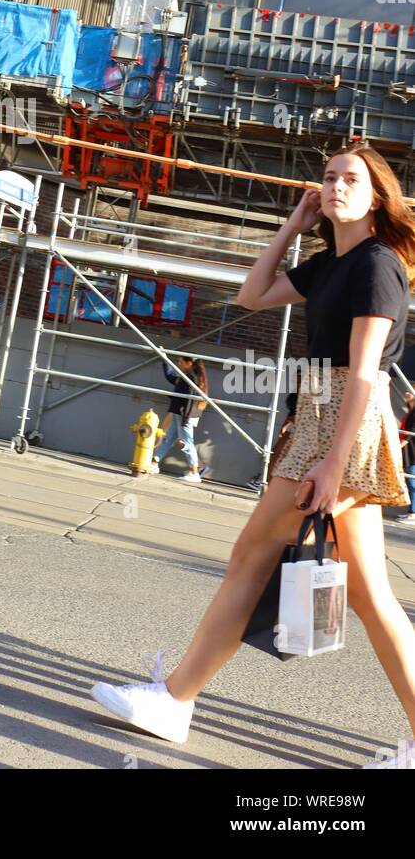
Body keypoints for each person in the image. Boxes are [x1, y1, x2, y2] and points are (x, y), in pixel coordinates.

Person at [91, 144, 415, 769]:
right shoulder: (330, 264)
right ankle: (175, 697)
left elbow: (365, 374)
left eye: (351, 180)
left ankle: (175, 698)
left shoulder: (377, 265)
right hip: (323, 416)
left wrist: (330, 460)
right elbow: (250, 295)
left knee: (253, 556)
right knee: (369, 595)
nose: (335, 187)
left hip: (341, 419)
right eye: (328, 178)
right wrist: (291, 228)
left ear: (377, 196)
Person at [151, 356, 209, 484]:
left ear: (189, 363)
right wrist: (164, 360)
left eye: (181, 362)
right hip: (181, 413)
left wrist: (185, 417)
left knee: (187, 443)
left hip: (185, 415)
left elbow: (188, 400)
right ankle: (154, 463)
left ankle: (194, 473)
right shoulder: (187, 376)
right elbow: (172, 378)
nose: (179, 364)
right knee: (169, 439)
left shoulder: (191, 378)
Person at [247, 387, 299, 494]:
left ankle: (264, 481)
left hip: (301, 423)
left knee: (280, 454)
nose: (297, 381)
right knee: (279, 453)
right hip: (297, 422)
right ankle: (264, 480)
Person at [399, 391, 415, 528]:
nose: (407, 392)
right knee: (409, 480)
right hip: (408, 450)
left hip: (412, 452)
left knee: (411, 481)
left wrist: (399, 446)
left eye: (411, 391)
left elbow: (410, 434)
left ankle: (413, 513)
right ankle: (410, 511)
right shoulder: (410, 410)